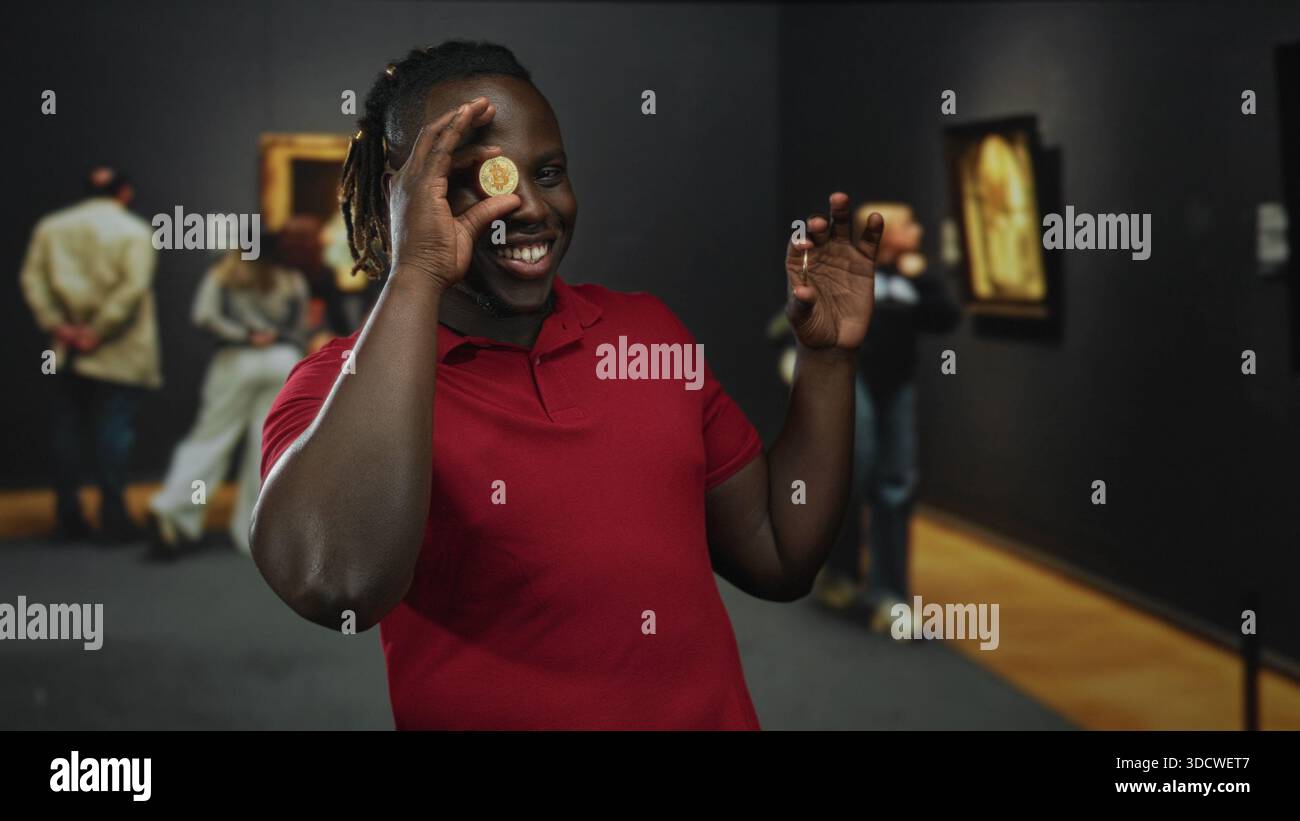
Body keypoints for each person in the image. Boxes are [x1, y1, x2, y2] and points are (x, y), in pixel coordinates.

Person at [250, 41, 883, 730]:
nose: (528, 206)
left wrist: (827, 363)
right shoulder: (337, 386)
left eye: (548, 172)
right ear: (402, 196)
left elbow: (780, 552)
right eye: (483, 179)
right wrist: (417, 268)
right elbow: (337, 585)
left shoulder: (649, 331)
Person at [814, 202, 961, 633]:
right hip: (848, 379)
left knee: (896, 484)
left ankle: (890, 595)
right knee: (854, 474)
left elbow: (945, 317)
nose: (916, 231)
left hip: (896, 386)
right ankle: (839, 572)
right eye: (907, 225)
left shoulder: (912, 278)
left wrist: (918, 277)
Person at [19, 167, 160, 542]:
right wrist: (98, 330)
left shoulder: (52, 227)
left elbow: (33, 280)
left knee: (68, 430)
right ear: (125, 193)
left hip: (67, 348)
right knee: (114, 431)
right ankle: (113, 520)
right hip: (120, 349)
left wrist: (58, 325)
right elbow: (132, 288)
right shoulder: (133, 231)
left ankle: (69, 517)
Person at [146, 241, 308, 558]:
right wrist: (274, 336)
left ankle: (173, 513)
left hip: (235, 360)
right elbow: (299, 325)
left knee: (210, 439)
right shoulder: (291, 278)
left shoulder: (223, 274)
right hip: (281, 360)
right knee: (267, 446)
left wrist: (242, 334)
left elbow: (204, 316)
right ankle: (258, 532)